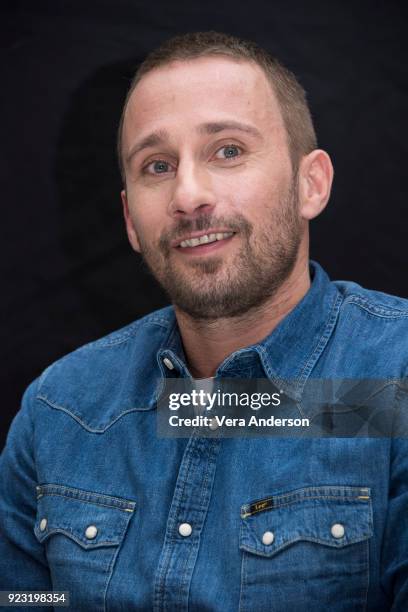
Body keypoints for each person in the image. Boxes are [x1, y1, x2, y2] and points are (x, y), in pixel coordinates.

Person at [0, 31, 407, 611]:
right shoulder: (58, 413)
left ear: (310, 182)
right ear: (131, 221)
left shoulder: (396, 382)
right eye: (158, 165)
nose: (189, 195)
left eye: (228, 151)